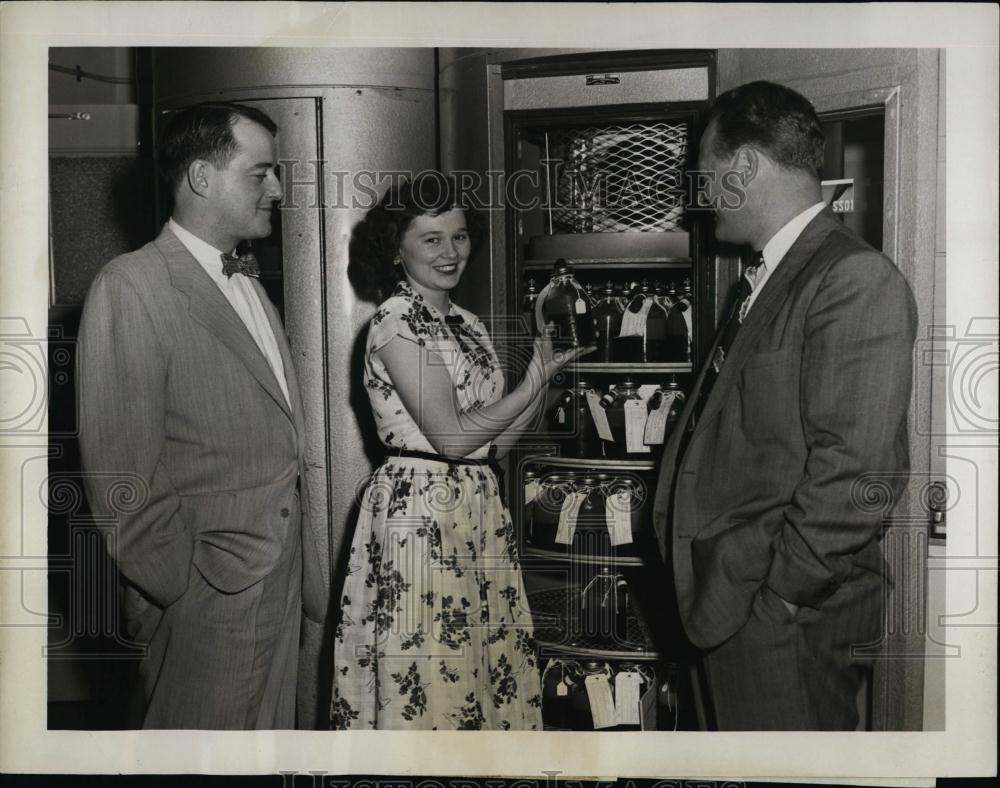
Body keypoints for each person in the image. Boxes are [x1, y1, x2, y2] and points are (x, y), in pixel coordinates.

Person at [652, 81, 918, 730]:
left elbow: (858, 474)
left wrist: (781, 596)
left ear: (745, 167)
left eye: (706, 175)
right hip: (729, 606)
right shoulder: (771, 276)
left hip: (780, 621)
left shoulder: (852, 278)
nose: (700, 196)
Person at [77, 102, 327, 729]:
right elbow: (121, 477)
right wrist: (179, 589)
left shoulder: (248, 282)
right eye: (260, 173)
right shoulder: (131, 286)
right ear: (200, 177)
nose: (278, 190)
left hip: (277, 583)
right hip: (205, 600)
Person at [331, 172, 587, 730]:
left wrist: (543, 382)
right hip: (421, 516)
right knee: (430, 681)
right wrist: (528, 382)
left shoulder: (467, 324)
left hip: (476, 508)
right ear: (396, 250)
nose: (450, 252)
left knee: (483, 677)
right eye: (432, 239)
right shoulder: (396, 321)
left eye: (460, 236)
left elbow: (491, 447)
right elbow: (451, 438)